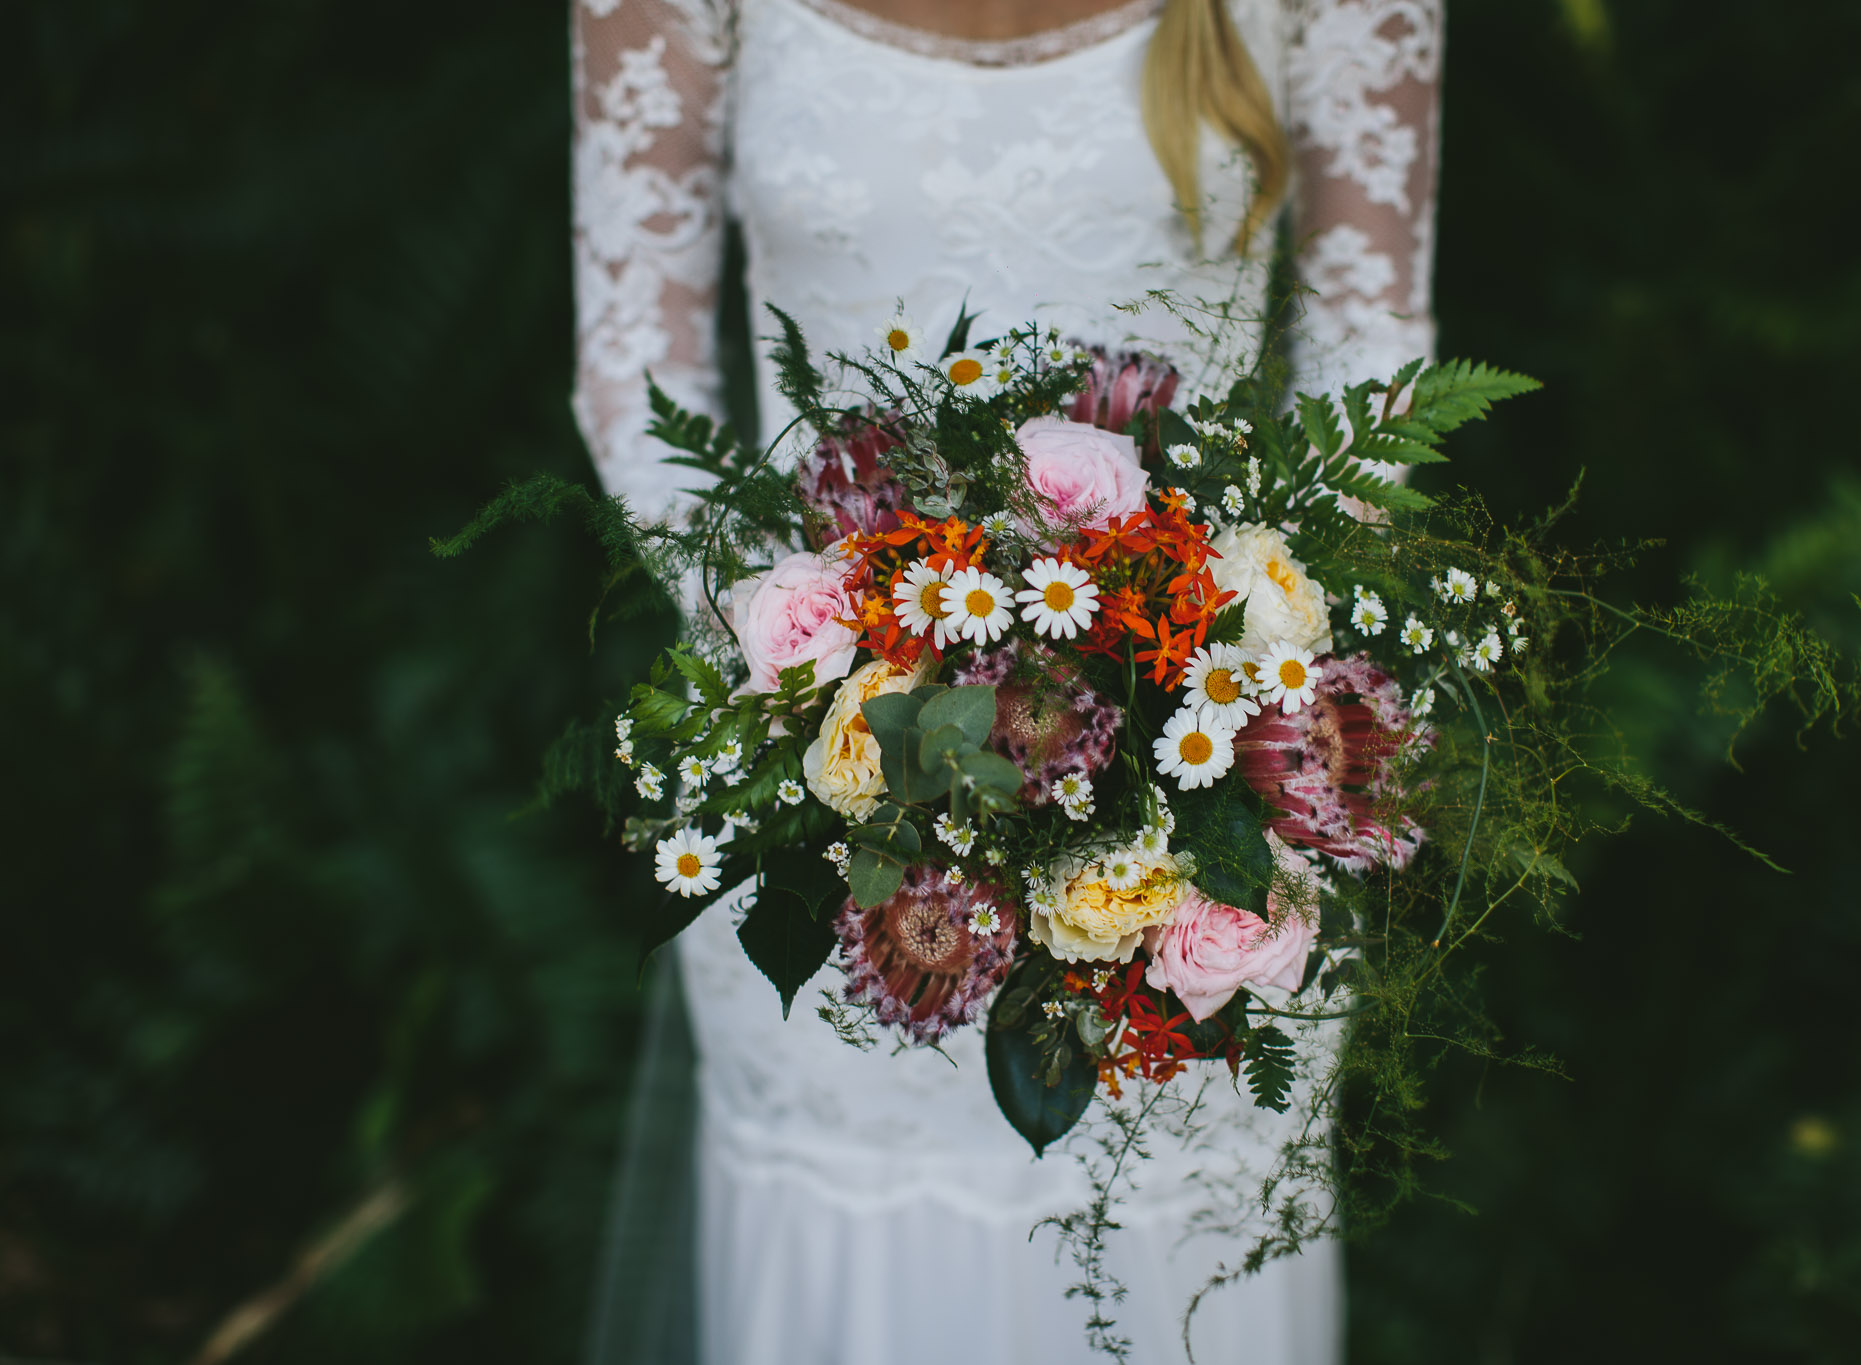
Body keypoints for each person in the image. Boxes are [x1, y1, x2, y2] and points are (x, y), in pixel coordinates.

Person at [569, 1, 1441, 1360]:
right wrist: (819, 676)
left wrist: (1222, 696)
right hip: (837, 830)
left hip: (1201, 840)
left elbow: (1375, 363)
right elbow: (638, 374)